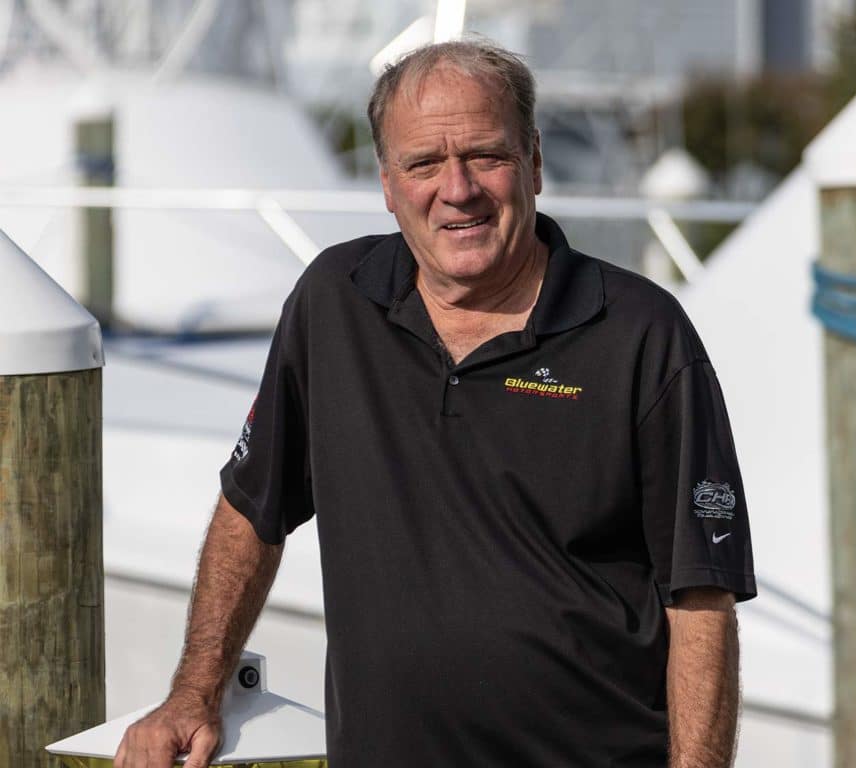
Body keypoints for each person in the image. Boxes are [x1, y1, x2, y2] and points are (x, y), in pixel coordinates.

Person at [114, 40, 756, 768]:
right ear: (388, 184)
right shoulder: (334, 302)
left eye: (486, 155)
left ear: (534, 163)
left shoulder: (643, 333)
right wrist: (194, 693)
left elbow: (700, 596)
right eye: (424, 164)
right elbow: (250, 508)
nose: (458, 189)